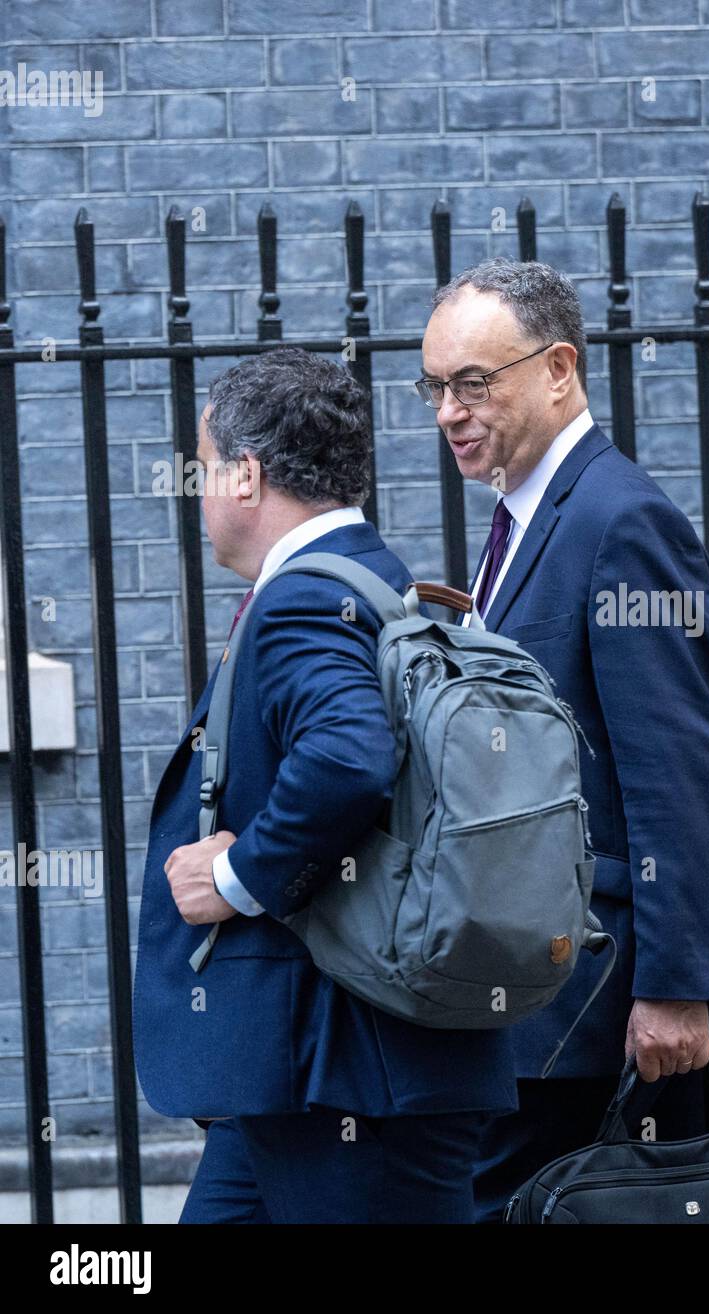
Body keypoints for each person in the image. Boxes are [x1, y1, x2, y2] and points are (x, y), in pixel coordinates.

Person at [415, 258, 709, 1223]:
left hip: (615, 1003)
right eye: (435, 386)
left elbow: (679, 774)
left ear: (558, 369)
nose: (449, 412)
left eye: (473, 382)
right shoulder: (527, 516)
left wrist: (675, 990)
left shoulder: (624, 522)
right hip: (547, 1000)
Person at [133, 347, 517, 1223]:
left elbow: (347, 757)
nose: (198, 493)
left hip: (347, 1076)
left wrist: (235, 879)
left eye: (204, 467)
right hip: (305, 1076)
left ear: (247, 476)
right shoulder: (366, 574)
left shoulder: (305, 596)